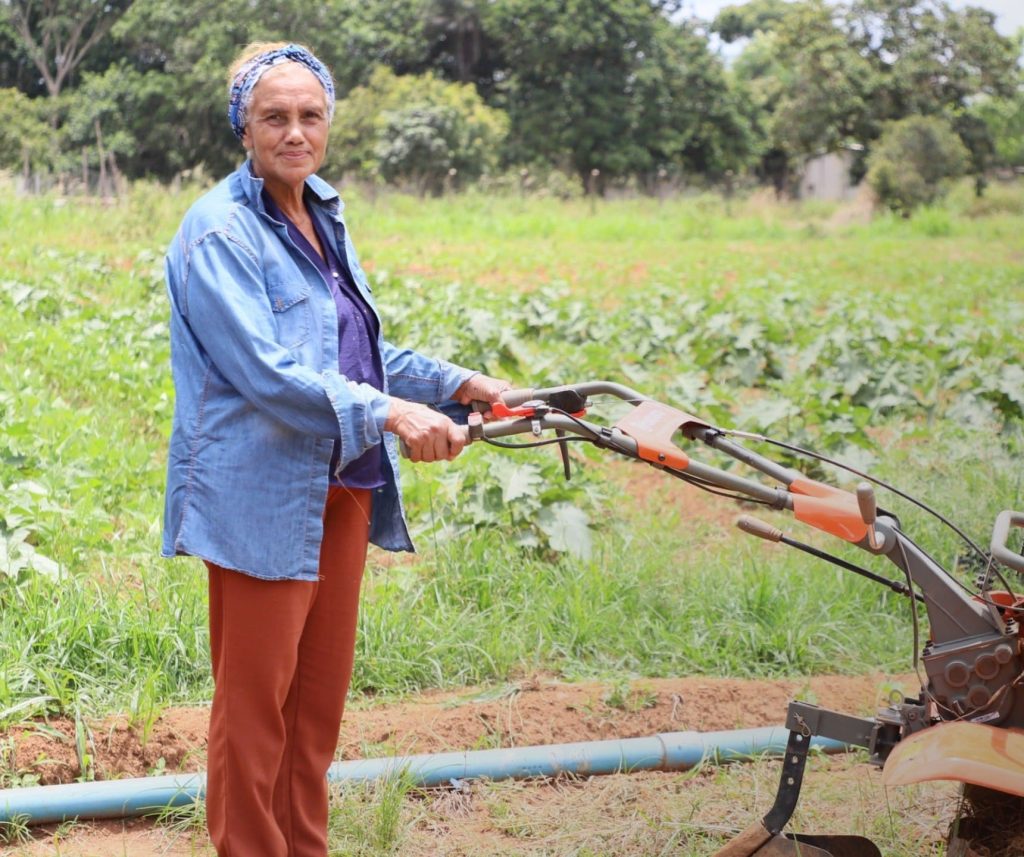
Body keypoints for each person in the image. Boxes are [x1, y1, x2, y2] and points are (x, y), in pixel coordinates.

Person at [161, 41, 510, 857]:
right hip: (260, 495)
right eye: (273, 117)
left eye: (309, 115)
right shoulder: (218, 232)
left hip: (342, 487)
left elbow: (354, 352)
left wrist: (461, 383)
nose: (294, 131)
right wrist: (392, 414)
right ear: (242, 128)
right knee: (255, 711)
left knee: (313, 710)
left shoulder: (320, 213)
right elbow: (268, 374)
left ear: (328, 123)